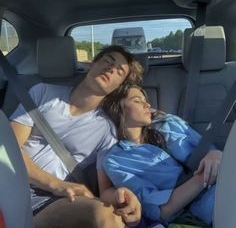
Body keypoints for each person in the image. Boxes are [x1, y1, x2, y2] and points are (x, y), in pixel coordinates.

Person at [10, 46, 143, 228]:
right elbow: (8, 150)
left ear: (118, 87)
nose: (110, 69)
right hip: (9, 180)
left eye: (119, 71)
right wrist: (56, 184)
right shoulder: (42, 92)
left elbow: (105, 191)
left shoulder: (107, 131)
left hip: (47, 201)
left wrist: (123, 195)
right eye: (108, 61)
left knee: (105, 214)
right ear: (92, 64)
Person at [100, 84, 222, 227]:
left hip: (227, 178)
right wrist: (203, 178)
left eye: (145, 100)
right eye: (137, 101)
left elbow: (210, 150)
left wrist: (215, 154)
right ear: (118, 109)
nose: (147, 104)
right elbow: (161, 211)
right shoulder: (116, 160)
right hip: (211, 205)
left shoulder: (169, 122)